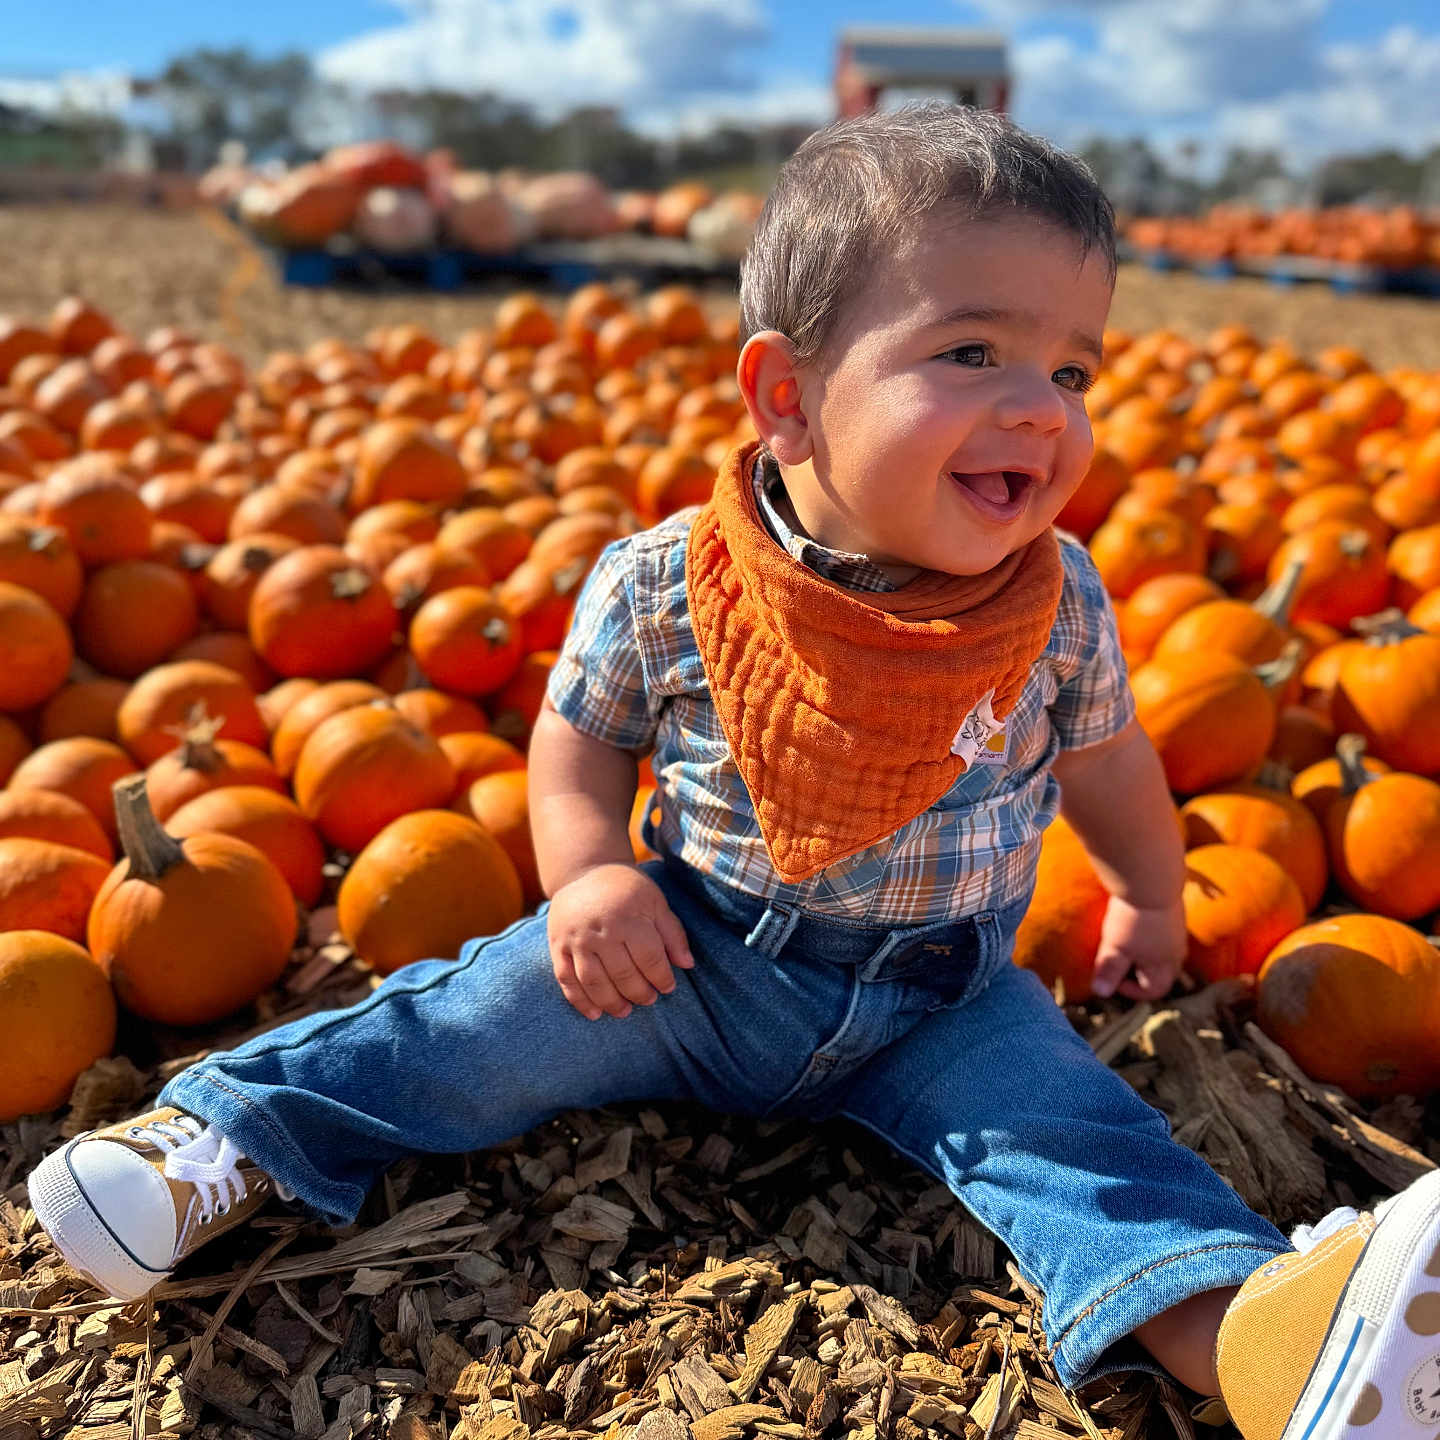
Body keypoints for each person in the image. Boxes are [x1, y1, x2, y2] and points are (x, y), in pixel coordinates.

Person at [27, 106, 1440, 1439]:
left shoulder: (1056, 597)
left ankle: (1265, 1349)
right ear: (788, 396)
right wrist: (586, 884)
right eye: (972, 355)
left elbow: (1111, 758)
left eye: (1072, 370)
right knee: (475, 1024)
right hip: (693, 962)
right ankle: (219, 1148)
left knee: (1086, 1148)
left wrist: (1142, 892)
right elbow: (575, 742)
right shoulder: (666, 581)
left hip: (942, 997)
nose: (1040, 410)